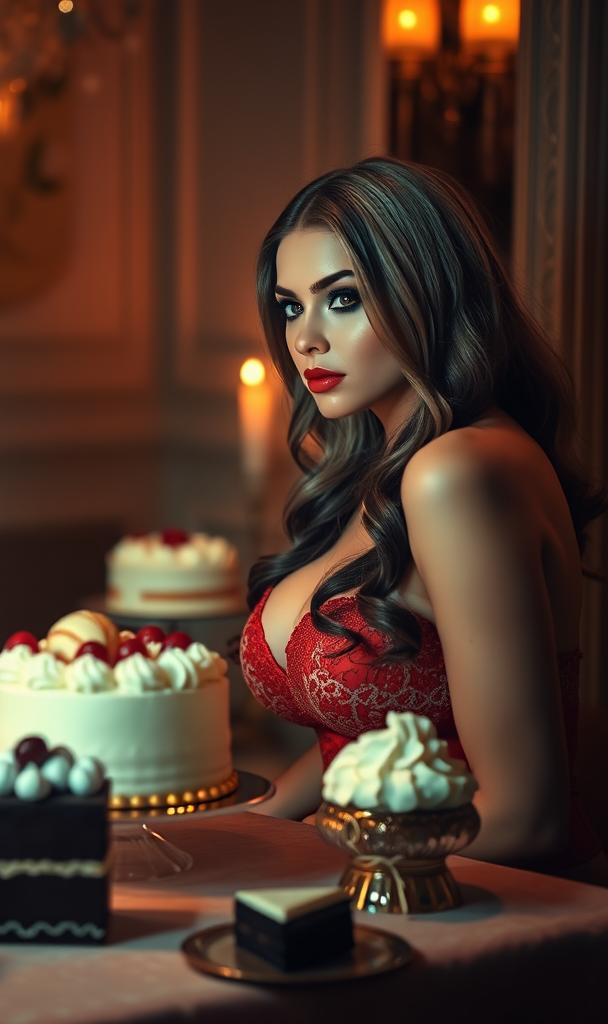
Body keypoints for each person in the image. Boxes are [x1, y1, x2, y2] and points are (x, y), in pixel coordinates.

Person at [240, 156, 606, 879]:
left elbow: (528, 818)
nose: (305, 338)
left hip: (479, 914)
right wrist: (225, 828)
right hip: (364, 893)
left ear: (428, 292)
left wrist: (307, 854)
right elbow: (367, 732)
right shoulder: (376, 471)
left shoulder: (457, 472)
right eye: (290, 306)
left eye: (341, 299)